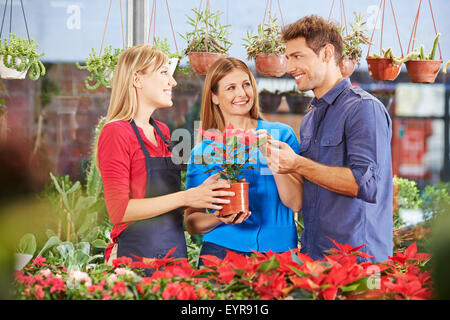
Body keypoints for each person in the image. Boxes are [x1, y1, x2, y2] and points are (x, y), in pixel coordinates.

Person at [263, 15, 393, 262]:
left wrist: (297, 163)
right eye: (288, 57)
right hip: (316, 257)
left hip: (357, 262)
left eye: (297, 56)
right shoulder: (312, 116)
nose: (289, 67)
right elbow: (312, 185)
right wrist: (279, 162)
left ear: (326, 53)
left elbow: (364, 184)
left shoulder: (363, 108)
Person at [97, 45, 234, 274]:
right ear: (137, 79)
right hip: (134, 261)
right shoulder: (116, 132)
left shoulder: (162, 132)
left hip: (174, 258)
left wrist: (204, 195)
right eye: (163, 73)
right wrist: (186, 196)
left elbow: (167, 201)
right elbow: (119, 211)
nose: (173, 82)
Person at [185, 57, 303, 266]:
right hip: (220, 252)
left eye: (246, 84)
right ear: (214, 97)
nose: (242, 93)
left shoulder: (281, 136)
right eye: (231, 87)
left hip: (279, 253)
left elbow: (295, 202)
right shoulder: (204, 151)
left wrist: (269, 152)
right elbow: (192, 222)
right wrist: (219, 218)